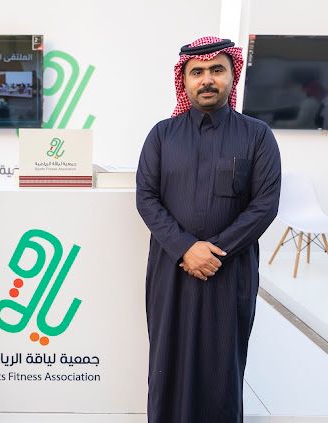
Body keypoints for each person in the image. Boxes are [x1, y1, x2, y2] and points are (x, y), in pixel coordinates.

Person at [135, 37, 281, 422]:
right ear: (183, 81)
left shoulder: (257, 135)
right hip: (172, 270)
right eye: (197, 72)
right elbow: (146, 198)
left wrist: (213, 252)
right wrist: (186, 249)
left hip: (229, 271)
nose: (207, 79)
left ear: (233, 75)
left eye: (217, 70)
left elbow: (265, 205)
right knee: (167, 361)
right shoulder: (162, 135)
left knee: (222, 367)